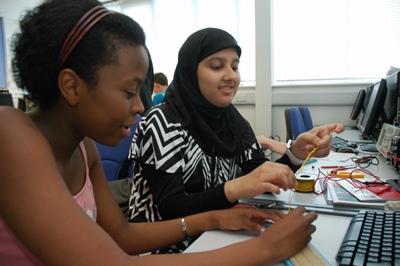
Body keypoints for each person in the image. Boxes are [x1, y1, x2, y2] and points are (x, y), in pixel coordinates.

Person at [0, 1, 318, 265]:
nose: (141, 106)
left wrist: (214, 219)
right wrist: (267, 248)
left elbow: (123, 237)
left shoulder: (84, 147)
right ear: (72, 87)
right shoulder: (9, 132)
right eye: (129, 91)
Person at [126, 28, 343, 229]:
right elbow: (170, 208)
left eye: (235, 66)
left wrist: (296, 152)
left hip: (217, 229)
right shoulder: (162, 121)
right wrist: (235, 188)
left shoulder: (231, 119)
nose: (231, 75)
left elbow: (263, 178)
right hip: (165, 244)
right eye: (217, 66)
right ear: (190, 71)